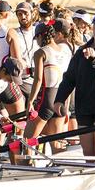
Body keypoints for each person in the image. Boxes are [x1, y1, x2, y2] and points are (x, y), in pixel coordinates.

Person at [53, 14, 95, 159]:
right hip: (84, 106)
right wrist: (59, 99)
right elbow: (69, 78)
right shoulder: (80, 52)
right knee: (88, 153)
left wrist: (94, 54)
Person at [25, 20, 75, 149]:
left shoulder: (41, 52)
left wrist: (30, 101)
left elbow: (38, 80)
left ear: (40, 36)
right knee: (57, 145)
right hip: (62, 100)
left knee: (27, 141)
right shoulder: (65, 51)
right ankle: (60, 166)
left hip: (47, 99)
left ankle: (24, 167)